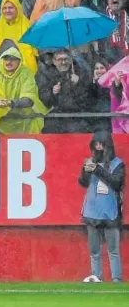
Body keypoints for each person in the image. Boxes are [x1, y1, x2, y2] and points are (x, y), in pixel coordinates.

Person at [79, 131, 125, 283]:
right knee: (94, 251)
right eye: (96, 145)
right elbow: (83, 183)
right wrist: (85, 171)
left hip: (109, 212)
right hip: (92, 211)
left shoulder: (118, 164)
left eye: (101, 144)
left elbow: (116, 184)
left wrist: (97, 170)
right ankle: (96, 277)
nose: (98, 148)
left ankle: (116, 279)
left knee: (113, 250)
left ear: (108, 146)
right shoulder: (91, 161)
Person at [0, 47, 47, 134]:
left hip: (23, 122)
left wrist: (10, 103)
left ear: (20, 61)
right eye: (6, 59)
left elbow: (29, 99)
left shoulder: (26, 73)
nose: (8, 62)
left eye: (13, 59)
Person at [36, 49, 92, 133]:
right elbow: (43, 98)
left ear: (71, 60)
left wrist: (78, 83)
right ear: (54, 62)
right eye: (60, 60)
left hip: (77, 117)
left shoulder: (80, 72)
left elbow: (88, 97)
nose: (63, 62)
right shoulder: (47, 74)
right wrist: (53, 92)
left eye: (66, 59)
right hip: (55, 118)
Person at [0, 0, 38, 74]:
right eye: (4, 8)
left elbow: (34, 49)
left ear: (17, 8)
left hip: (23, 68)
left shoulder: (27, 25)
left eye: (10, 8)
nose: (7, 11)